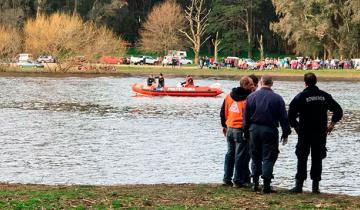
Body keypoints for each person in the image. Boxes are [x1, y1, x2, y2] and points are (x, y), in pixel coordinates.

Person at [288, 73, 343, 194]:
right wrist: (332, 125)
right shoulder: (325, 96)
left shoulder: (301, 96)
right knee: (317, 158)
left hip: (305, 133)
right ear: (316, 82)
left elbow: (290, 114)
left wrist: (296, 127)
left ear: (305, 83)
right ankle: (315, 187)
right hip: (320, 133)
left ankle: (298, 186)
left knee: (302, 157)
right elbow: (338, 110)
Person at [243, 75, 291, 193]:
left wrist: (245, 131)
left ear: (260, 83)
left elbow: (246, 117)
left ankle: (255, 183)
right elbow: (284, 118)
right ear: (272, 84)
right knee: (268, 157)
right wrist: (286, 132)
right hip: (270, 130)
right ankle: (266, 185)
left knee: (255, 156)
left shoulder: (251, 97)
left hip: (254, 129)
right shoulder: (278, 99)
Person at [220, 76, 254, 187]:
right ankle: (238, 180)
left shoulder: (229, 96)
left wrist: (224, 126)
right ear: (245, 85)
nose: (253, 86)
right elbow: (249, 116)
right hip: (240, 129)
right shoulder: (249, 98)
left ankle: (226, 178)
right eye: (251, 84)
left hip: (229, 127)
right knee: (240, 155)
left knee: (230, 154)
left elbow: (223, 112)